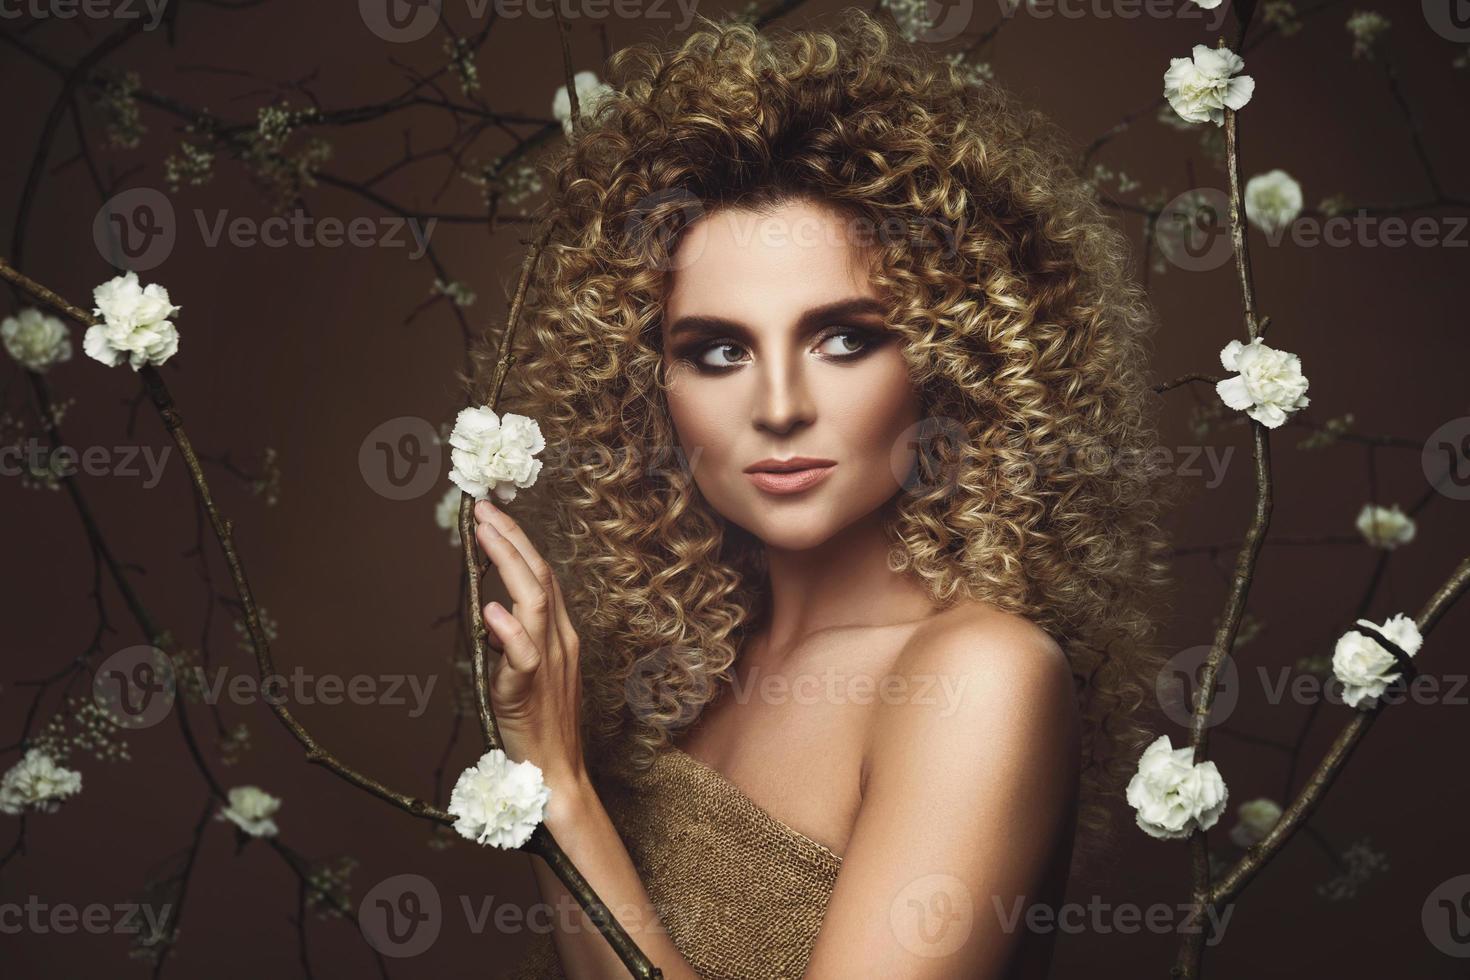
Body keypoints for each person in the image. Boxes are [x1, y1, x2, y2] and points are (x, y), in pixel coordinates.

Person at [467, 8, 1174, 978]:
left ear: (947, 357)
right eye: (718, 350)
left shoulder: (978, 676)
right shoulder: (670, 683)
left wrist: (556, 787)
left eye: (844, 338)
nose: (782, 406)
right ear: (648, 387)